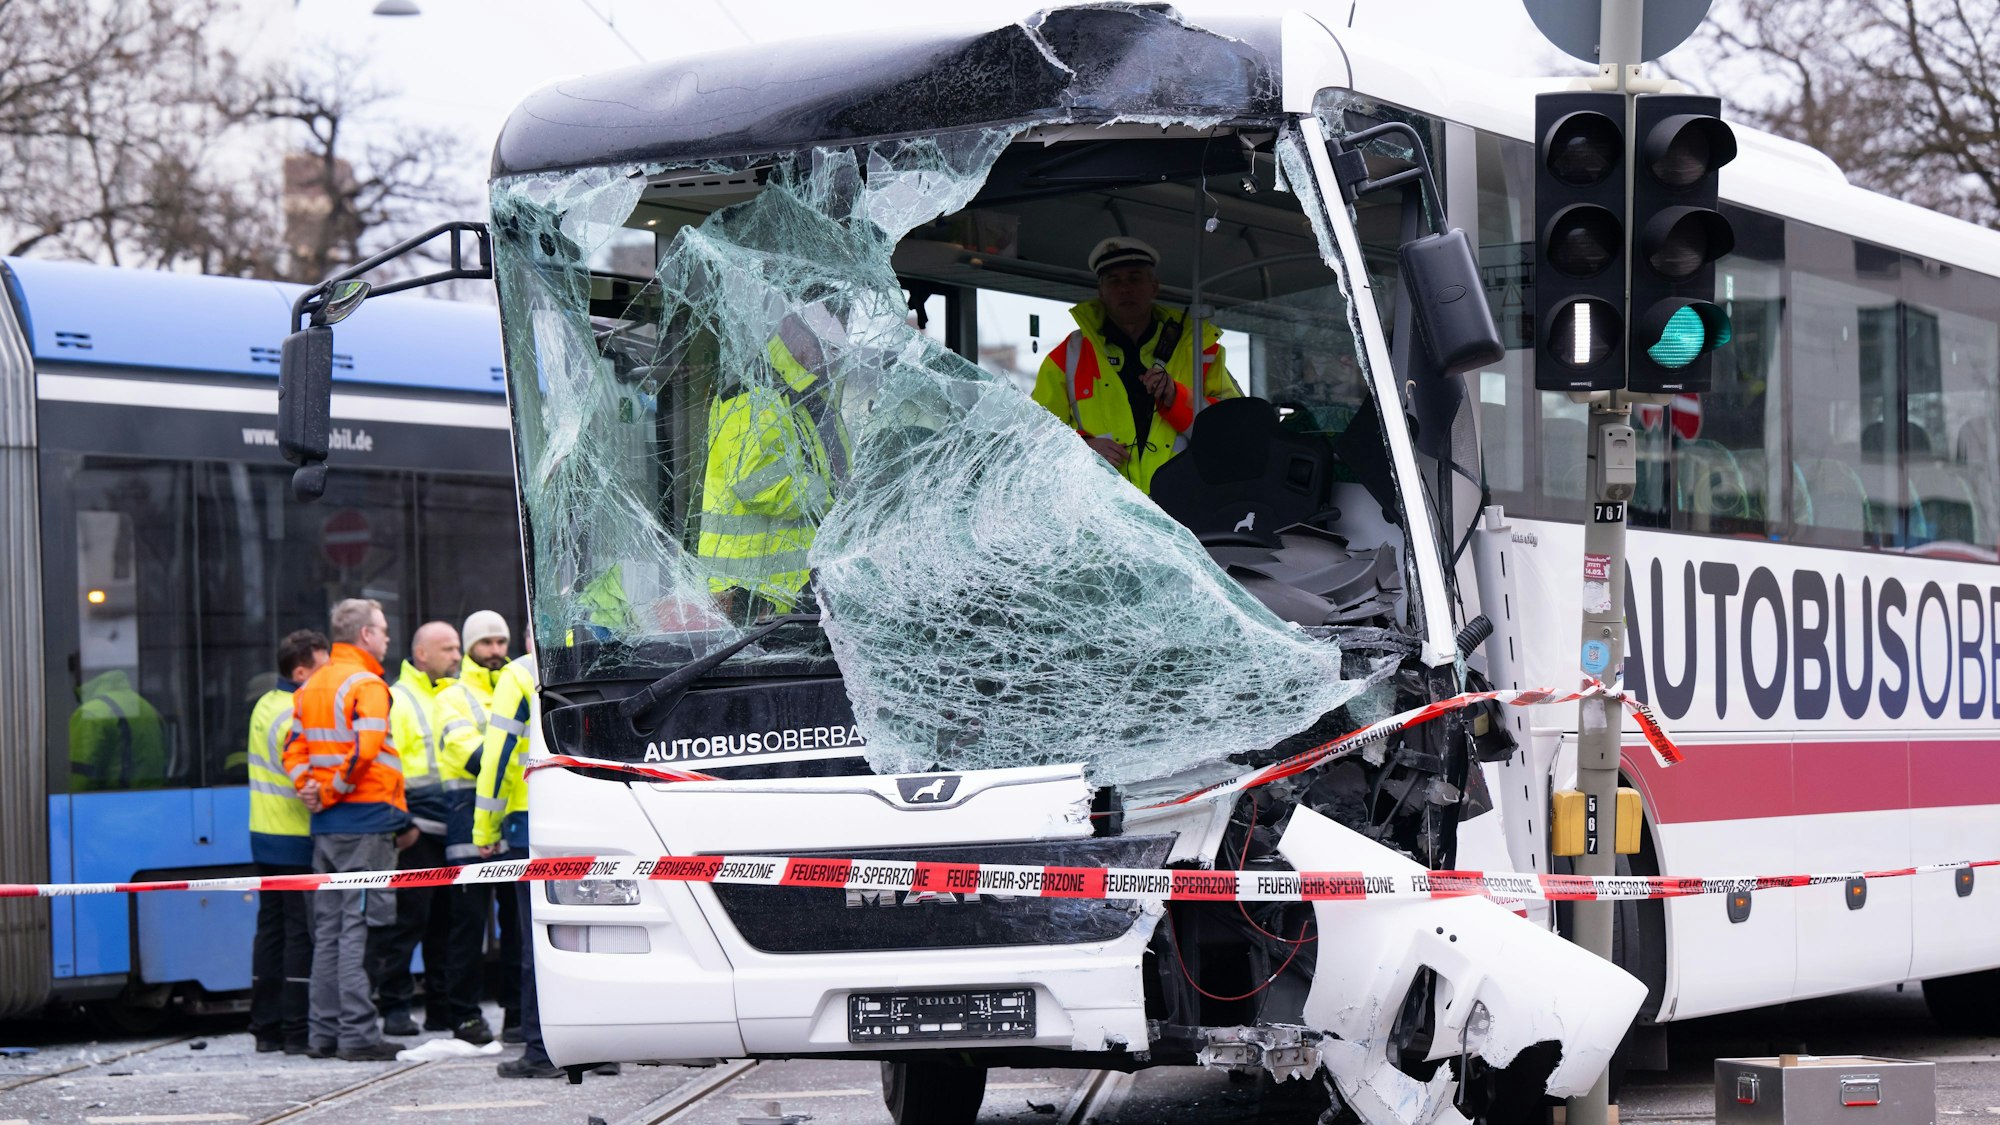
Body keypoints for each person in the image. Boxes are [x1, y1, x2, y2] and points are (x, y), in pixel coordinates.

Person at [285, 598, 416, 1062]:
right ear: (365, 635)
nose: (385, 637)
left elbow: (293, 749)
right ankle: (358, 1035)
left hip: (326, 827)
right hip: (365, 824)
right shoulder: (367, 684)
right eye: (381, 630)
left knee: (329, 930)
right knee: (359, 930)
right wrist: (335, 789)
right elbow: (366, 750)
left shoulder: (311, 686)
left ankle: (323, 1034)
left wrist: (311, 790)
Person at [1031, 236, 1241, 494]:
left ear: (1154, 286)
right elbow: (1036, 434)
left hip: (1184, 503)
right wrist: (1081, 448)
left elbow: (1233, 429)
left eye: (1134, 278)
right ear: (1101, 291)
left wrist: (1177, 397)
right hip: (1104, 509)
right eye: (1114, 280)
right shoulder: (1068, 356)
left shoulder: (1200, 349)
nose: (1125, 288)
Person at [367, 621, 493, 1045]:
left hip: (454, 824)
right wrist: (402, 824)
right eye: (447, 649)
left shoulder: (456, 695)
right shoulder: (398, 699)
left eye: (459, 648)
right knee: (409, 920)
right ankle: (396, 1006)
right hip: (418, 827)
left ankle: (439, 1008)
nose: (456, 656)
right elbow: (387, 768)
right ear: (421, 654)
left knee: (447, 922)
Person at [695, 317, 843, 619]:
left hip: (797, 594)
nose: (833, 358)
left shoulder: (811, 400)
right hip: (749, 599)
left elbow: (842, 472)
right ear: (791, 328)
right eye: (825, 345)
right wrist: (836, 497)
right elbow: (759, 485)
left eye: (837, 348)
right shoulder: (751, 395)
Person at [435, 609, 520, 1042]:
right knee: (467, 927)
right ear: (469, 647)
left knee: (517, 927)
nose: (495, 651)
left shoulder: (519, 686)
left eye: (501, 642)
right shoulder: (450, 696)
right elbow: (474, 757)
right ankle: (464, 1015)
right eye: (486, 643)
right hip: (467, 823)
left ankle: (517, 1016)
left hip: (514, 824)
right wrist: (509, 755)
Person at [475, 646, 559, 1078]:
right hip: (595, 817)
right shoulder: (602, 655)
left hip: (532, 826)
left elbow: (498, 757)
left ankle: (542, 1051)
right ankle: (598, 1051)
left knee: (536, 939)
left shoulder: (521, 673)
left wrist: (484, 830)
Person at [247, 629, 330, 1055]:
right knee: (300, 933)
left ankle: (266, 1028)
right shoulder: (293, 712)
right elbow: (308, 779)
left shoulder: (266, 703)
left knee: (272, 931)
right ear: (300, 671)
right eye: (321, 667)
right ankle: (297, 1030)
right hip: (294, 835)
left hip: (264, 834)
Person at [69, 667, 167, 791]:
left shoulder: (91, 712)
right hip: (153, 801)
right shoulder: (147, 708)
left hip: (112, 805)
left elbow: (82, 777)